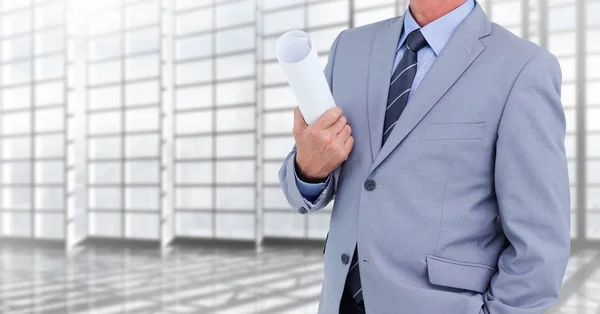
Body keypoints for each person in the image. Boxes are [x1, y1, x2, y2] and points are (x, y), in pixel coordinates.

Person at [278, 0, 571, 313]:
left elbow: (540, 246)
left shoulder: (523, 67)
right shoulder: (349, 48)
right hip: (339, 302)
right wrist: (308, 170)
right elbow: (303, 190)